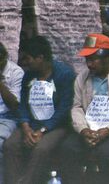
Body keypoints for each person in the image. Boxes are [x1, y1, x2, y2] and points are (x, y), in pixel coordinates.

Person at [60, 34, 109, 184]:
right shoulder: (82, 78)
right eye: (87, 59)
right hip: (90, 127)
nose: (89, 64)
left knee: (105, 153)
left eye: (93, 59)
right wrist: (83, 129)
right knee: (67, 148)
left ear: (107, 57)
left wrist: (108, 130)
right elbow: (77, 107)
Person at [3, 36, 76, 184]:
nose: (25, 63)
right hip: (32, 124)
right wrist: (25, 127)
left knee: (41, 149)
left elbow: (64, 110)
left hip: (56, 126)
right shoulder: (29, 75)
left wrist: (43, 130)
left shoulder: (64, 74)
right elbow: (22, 104)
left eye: (28, 59)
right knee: (10, 146)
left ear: (40, 58)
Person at [0, 43, 24, 184]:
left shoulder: (16, 72)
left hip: (7, 118)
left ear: (3, 58)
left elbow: (14, 105)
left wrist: (1, 84)